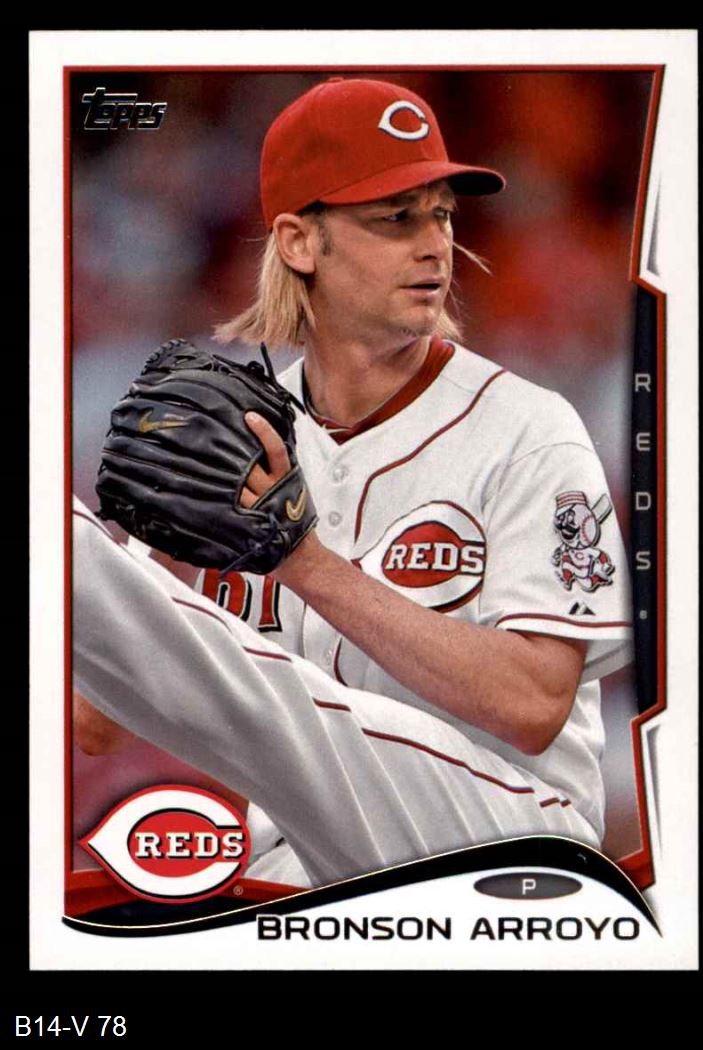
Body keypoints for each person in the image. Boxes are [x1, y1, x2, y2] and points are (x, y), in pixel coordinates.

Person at [73, 77, 633, 889]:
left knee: (283, 709)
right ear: (300, 243)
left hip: (512, 842)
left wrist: (303, 563)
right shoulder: (234, 437)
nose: (435, 245)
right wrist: (152, 544)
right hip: (312, 864)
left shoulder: (527, 428)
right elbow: (97, 725)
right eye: (396, 219)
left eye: (442, 215)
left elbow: (534, 706)